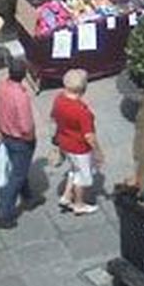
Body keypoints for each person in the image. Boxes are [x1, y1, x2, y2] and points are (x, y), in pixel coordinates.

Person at [0, 55, 41, 229]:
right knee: (16, 177)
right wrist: (30, 138)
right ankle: (3, 214)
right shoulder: (21, 97)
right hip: (21, 140)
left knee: (19, 168)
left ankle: (28, 197)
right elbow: (26, 126)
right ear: (24, 74)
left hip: (5, 135)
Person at [52, 68, 103, 216]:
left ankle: (67, 196)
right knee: (82, 177)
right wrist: (98, 152)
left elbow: (53, 117)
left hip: (64, 143)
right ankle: (79, 204)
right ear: (83, 88)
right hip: (80, 148)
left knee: (74, 169)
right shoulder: (82, 111)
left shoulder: (58, 99)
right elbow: (89, 136)